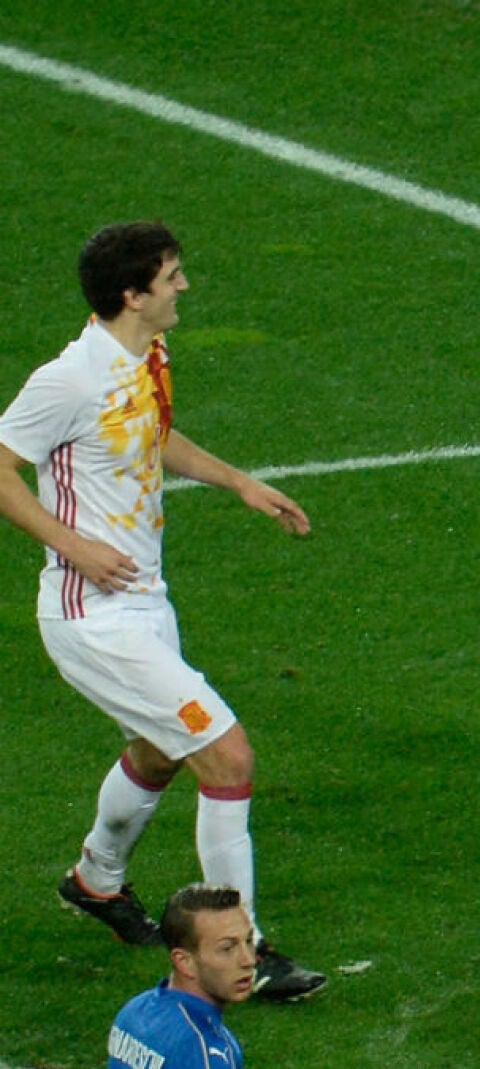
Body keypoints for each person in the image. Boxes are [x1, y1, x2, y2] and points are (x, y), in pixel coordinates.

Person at [0, 221, 325, 1001]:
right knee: (228, 755)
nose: (184, 286)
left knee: (160, 748)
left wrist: (240, 481)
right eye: (172, 276)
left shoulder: (147, 355)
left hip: (143, 599)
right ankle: (243, 945)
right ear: (133, 293)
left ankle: (96, 880)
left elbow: (153, 438)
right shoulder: (68, 378)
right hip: (92, 614)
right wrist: (70, 545)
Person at [109, 884, 253, 1068]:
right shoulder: (206, 1049)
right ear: (184, 961)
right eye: (227, 948)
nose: (248, 960)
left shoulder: (134, 1011)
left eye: (248, 941)